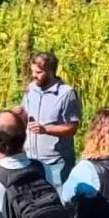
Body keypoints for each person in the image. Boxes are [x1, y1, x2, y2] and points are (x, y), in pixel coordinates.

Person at [21, 52, 81, 190]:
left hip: (56, 163)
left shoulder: (66, 93)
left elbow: (72, 128)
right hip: (31, 161)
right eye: (32, 71)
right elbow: (25, 114)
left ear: (51, 72)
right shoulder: (31, 89)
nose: (34, 75)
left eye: (39, 72)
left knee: (60, 200)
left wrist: (45, 130)